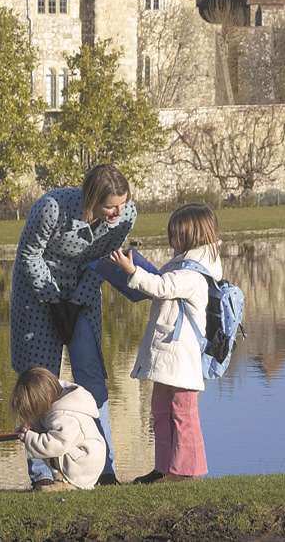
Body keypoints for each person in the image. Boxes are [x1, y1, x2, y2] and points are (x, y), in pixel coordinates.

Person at [9, 164, 136, 488]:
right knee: (38, 379)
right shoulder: (52, 208)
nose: (117, 212)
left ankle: (102, 468)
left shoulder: (125, 215)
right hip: (37, 295)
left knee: (91, 378)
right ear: (91, 198)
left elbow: (106, 258)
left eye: (122, 204)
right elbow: (28, 254)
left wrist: (77, 300)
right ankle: (41, 473)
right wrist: (53, 299)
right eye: (110, 206)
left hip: (83, 295)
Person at [108, 202, 223, 484]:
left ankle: (187, 470)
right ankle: (164, 467)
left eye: (176, 235)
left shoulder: (194, 274)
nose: (172, 240)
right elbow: (163, 281)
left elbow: (162, 286)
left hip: (181, 360)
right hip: (168, 358)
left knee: (183, 413)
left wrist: (131, 271)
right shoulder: (182, 267)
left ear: (189, 237)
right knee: (160, 411)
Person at [10, 366, 107, 492]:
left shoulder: (64, 416)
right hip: (85, 457)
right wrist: (33, 427)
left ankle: (67, 483)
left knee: (49, 446)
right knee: (44, 440)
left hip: (85, 462)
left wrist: (28, 437)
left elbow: (56, 443)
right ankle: (63, 480)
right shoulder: (62, 401)